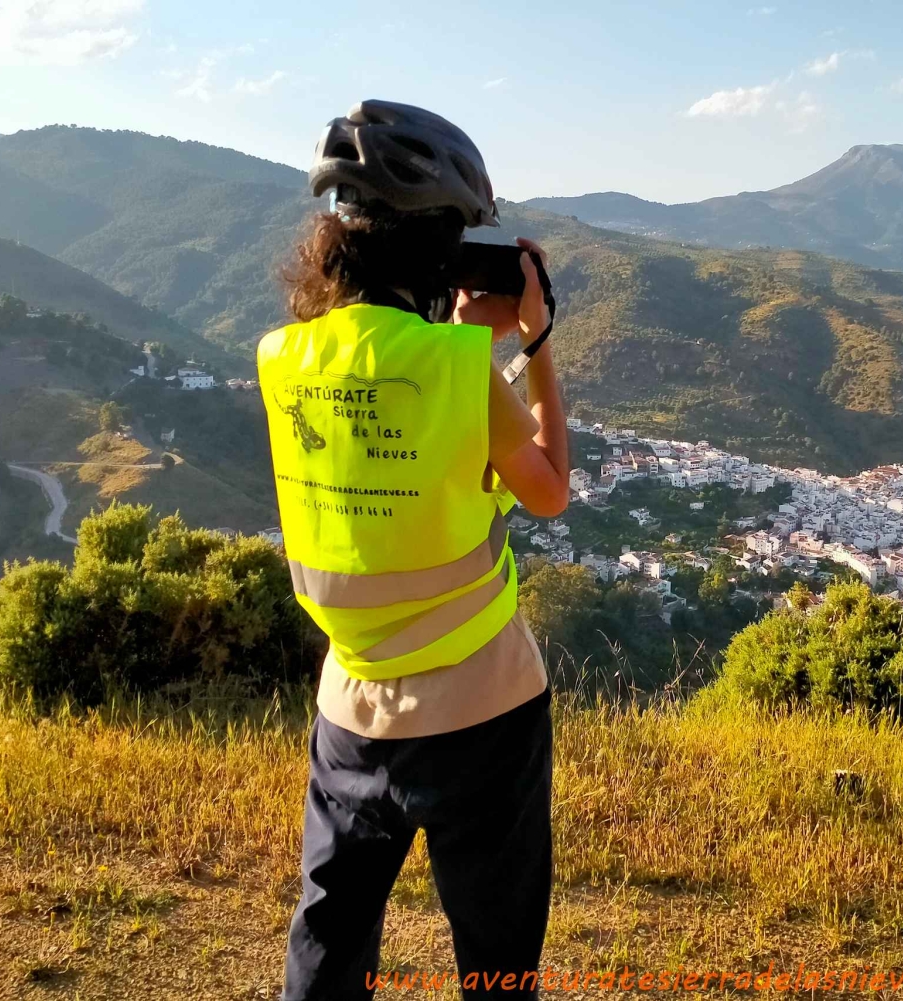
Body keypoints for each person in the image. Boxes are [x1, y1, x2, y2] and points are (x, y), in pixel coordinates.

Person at [257, 100, 569, 1000]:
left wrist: (461, 338)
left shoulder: (282, 355)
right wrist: (534, 344)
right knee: (497, 949)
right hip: (483, 705)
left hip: (349, 706)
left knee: (329, 934)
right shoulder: (461, 366)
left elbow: (384, 412)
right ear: (439, 247)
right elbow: (547, 486)